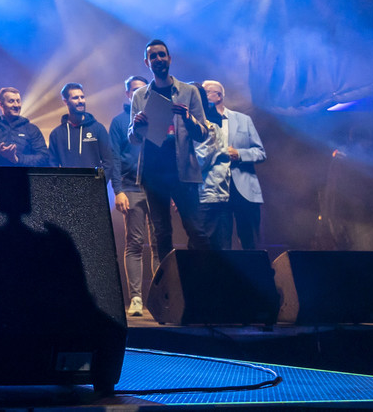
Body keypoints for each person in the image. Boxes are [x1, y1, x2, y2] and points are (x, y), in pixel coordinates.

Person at [129, 40, 209, 260]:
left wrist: (188, 118)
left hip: (183, 172)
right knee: (161, 234)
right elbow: (133, 139)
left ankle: (203, 277)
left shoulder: (189, 91)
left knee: (197, 232)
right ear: (147, 62)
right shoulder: (140, 95)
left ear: (169, 58)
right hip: (153, 174)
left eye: (162, 55)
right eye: (153, 56)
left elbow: (203, 134)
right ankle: (169, 281)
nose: (158, 59)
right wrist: (136, 126)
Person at [197, 80, 266, 250]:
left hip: (244, 189)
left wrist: (239, 154)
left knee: (251, 243)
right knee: (221, 243)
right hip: (217, 189)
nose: (202, 96)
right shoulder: (201, 122)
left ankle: (256, 267)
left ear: (218, 95)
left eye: (206, 92)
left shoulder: (243, 120)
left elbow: (260, 152)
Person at [108, 74, 149, 315]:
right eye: (134, 90)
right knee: (135, 243)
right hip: (131, 188)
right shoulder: (119, 122)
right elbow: (113, 158)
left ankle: (161, 297)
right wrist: (118, 191)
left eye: (143, 89)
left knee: (160, 243)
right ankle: (136, 298)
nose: (139, 93)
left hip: (157, 188)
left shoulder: (159, 118)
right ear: (128, 94)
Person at [47, 83, 124, 200]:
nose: (80, 101)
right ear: (65, 101)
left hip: (94, 193)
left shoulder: (98, 128)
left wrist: (98, 184)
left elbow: (108, 162)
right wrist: (61, 187)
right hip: (68, 195)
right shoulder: (56, 134)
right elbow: (52, 165)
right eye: (75, 98)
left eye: (82, 97)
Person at [0, 87, 50, 167]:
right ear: (1, 105)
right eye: (11, 101)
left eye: (18, 101)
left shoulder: (32, 129)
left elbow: (44, 158)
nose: (16, 105)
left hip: (24, 175)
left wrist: (17, 159)